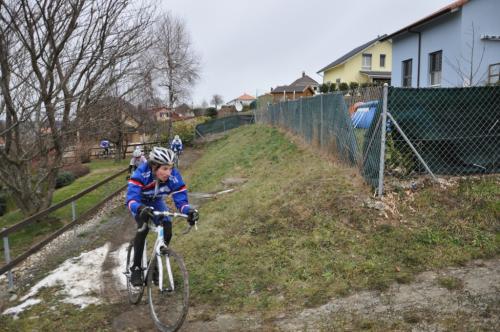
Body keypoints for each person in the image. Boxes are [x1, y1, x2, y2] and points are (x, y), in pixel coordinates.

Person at [125, 147, 199, 286]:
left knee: (168, 228)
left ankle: (154, 266)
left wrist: (188, 211)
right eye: (164, 169)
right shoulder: (141, 173)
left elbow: (180, 199)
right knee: (143, 228)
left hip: (157, 201)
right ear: (154, 166)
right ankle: (136, 268)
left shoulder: (173, 176)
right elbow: (131, 200)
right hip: (139, 203)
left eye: (170, 168)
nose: (168, 172)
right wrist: (140, 208)